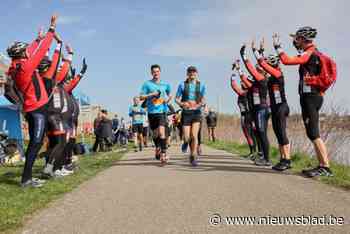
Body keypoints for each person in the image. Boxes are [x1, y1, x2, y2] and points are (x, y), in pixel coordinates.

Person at [6, 15, 59, 188]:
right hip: (37, 109)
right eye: (25, 51)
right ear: (21, 54)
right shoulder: (26, 67)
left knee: (36, 144)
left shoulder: (16, 66)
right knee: (35, 144)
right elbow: (42, 51)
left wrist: (37, 39)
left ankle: (27, 177)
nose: (28, 51)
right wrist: (51, 29)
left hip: (32, 109)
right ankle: (26, 179)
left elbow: (32, 50)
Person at [272, 26, 333, 177]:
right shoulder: (312, 53)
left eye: (297, 38)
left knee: (313, 133)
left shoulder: (310, 52)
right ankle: (322, 165)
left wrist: (278, 47)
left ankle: (325, 167)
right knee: (312, 133)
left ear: (304, 38)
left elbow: (286, 61)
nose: (295, 41)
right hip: (311, 96)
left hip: (311, 97)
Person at [251, 39, 292, 171]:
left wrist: (254, 52)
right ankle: (282, 159)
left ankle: (287, 159)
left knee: (282, 133)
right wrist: (261, 51)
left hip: (281, 107)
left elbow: (263, 64)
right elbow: (263, 66)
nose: (266, 65)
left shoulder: (278, 74)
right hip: (274, 108)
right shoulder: (270, 76)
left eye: (269, 63)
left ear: (273, 64)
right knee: (278, 133)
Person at [238, 44, 272, 166]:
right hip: (260, 110)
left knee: (262, 133)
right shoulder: (258, 81)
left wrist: (244, 55)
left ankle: (267, 159)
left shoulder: (262, 80)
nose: (256, 71)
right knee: (259, 133)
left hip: (262, 110)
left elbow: (250, 67)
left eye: (259, 69)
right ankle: (263, 156)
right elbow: (245, 79)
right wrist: (239, 71)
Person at [140, 64, 172, 165]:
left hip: (162, 111)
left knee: (162, 133)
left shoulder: (165, 84)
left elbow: (170, 94)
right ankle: (157, 147)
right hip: (151, 112)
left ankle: (163, 154)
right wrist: (151, 94)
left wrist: (167, 99)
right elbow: (141, 97)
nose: (156, 73)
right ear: (151, 73)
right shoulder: (147, 84)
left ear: (160, 72)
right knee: (155, 134)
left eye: (157, 71)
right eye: (154, 72)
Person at [175, 66, 206, 167]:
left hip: (196, 113)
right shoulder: (182, 85)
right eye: (190, 72)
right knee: (188, 137)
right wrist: (182, 104)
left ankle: (193, 156)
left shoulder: (201, 85)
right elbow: (176, 99)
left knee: (194, 135)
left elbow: (203, 100)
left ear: (197, 73)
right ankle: (185, 141)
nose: (192, 73)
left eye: (194, 72)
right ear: (187, 74)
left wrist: (200, 104)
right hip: (186, 113)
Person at [230, 68, 258, 160]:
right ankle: (254, 152)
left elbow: (235, 87)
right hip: (250, 115)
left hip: (247, 115)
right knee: (252, 135)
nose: (241, 83)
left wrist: (233, 78)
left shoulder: (244, 93)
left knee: (249, 135)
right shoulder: (248, 92)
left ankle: (253, 152)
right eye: (241, 82)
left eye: (243, 82)